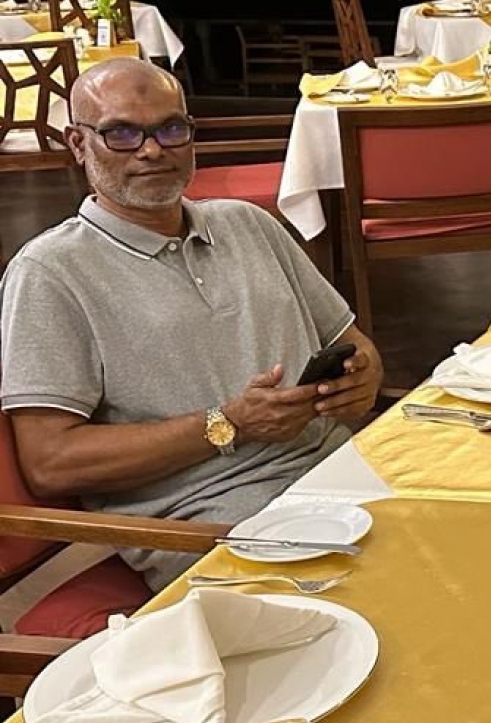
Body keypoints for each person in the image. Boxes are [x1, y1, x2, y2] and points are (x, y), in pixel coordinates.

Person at [0, 58, 382, 590]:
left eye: (171, 128)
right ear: (79, 144)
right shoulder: (50, 272)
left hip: (344, 476)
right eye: (121, 133)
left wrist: (361, 380)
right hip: (215, 526)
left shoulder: (249, 224)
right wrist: (227, 424)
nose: (152, 150)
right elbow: (50, 463)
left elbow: (354, 346)